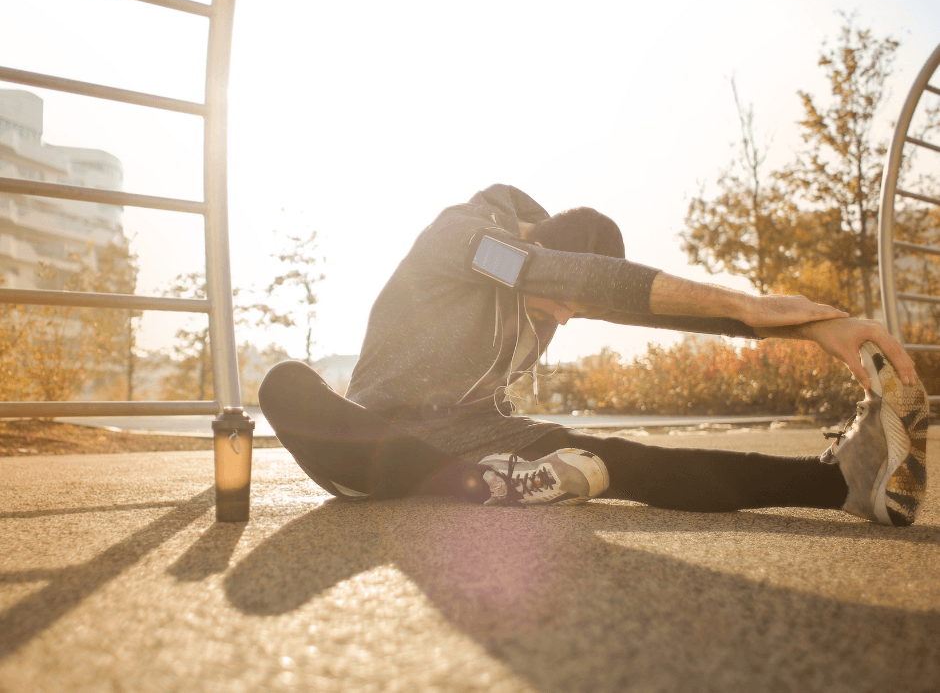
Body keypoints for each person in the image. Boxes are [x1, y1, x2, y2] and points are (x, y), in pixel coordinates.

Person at [259, 185, 928, 527]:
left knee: (623, 458)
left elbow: (637, 301)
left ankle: (841, 485)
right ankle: (486, 485)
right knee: (285, 383)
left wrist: (812, 329)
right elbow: (566, 279)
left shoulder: (546, 279)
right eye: (565, 300)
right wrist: (753, 306)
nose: (568, 317)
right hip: (371, 446)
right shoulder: (467, 240)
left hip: (481, 439)